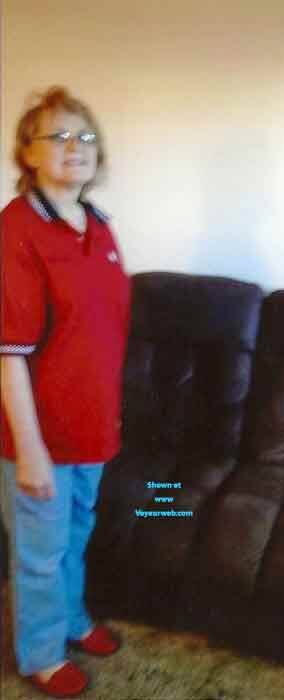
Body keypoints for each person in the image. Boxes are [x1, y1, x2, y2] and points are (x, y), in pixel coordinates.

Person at [0, 87, 131, 698]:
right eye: (57, 136)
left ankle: (73, 620)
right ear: (28, 152)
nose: (74, 147)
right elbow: (8, 353)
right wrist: (28, 450)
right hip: (40, 434)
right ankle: (41, 654)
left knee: (76, 534)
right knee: (39, 551)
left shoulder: (98, 223)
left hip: (92, 426)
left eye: (85, 136)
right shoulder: (15, 231)